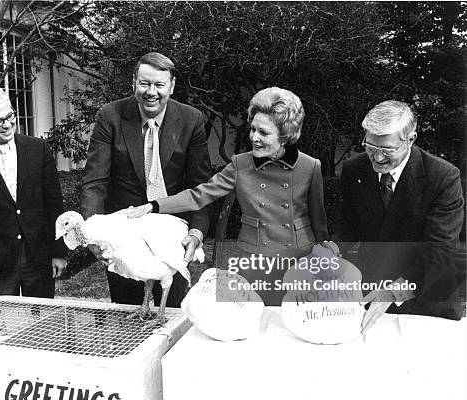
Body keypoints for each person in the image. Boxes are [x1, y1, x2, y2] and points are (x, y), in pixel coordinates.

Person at [121, 87, 329, 305]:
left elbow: (319, 221)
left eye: (264, 133)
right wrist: (152, 206)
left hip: (300, 258)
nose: (254, 138)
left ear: (285, 135)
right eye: (253, 130)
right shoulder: (241, 164)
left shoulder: (310, 166)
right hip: (255, 259)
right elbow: (199, 195)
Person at [80, 52, 212, 307]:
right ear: (134, 83)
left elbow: (201, 186)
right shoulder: (110, 116)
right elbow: (95, 181)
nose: (151, 92)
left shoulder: (191, 120)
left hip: (170, 236)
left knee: (171, 313)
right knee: (127, 317)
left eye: (159, 85)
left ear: (171, 86)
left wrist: (196, 232)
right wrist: (94, 232)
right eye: (145, 83)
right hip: (123, 238)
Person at [339, 100, 464, 332]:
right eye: (370, 147)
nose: (377, 159)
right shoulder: (353, 169)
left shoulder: (443, 177)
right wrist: (331, 252)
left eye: (387, 150)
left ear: (411, 139)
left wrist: (394, 292)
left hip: (429, 302)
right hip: (372, 297)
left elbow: (440, 252)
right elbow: (348, 228)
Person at [0, 87, 67, 297]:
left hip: (38, 258)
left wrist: (58, 252)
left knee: (41, 325)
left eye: (9, 116)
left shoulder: (38, 149)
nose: (7, 124)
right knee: (2, 327)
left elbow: (54, 205)